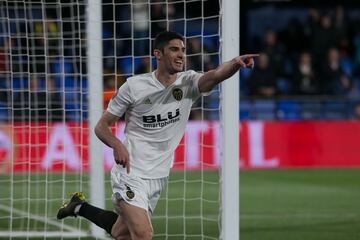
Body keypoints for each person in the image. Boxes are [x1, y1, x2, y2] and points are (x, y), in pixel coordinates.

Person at [57, 31, 258, 239]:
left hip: (158, 176)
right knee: (143, 234)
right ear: (158, 54)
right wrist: (117, 145)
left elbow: (215, 75)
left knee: (121, 232)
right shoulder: (134, 86)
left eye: (182, 50)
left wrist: (235, 62)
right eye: (174, 49)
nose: (180, 55)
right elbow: (101, 126)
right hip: (130, 172)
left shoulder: (188, 83)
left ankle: (79, 207)